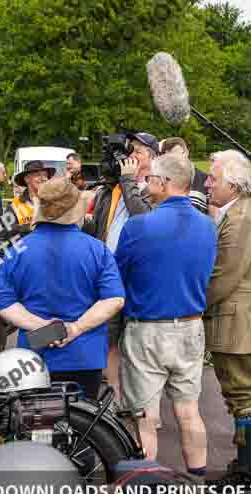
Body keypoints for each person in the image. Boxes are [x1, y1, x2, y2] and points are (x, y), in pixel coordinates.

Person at [114, 153, 217, 479]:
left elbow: (118, 275)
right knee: (189, 412)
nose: (146, 184)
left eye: (151, 179)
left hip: (147, 329)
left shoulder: (138, 226)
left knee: (145, 417)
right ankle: (198, 484)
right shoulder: (208, 226)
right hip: (190, 326)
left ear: (165, 183)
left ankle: (146, 493)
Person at [0, 176, 125, 400]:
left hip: (34, 355)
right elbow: (115, 299)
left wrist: (45, 327)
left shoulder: (18, 250)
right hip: (85, 356)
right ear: (76, 210)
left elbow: (2, 302)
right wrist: (75, 328)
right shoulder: (97, 250)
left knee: (33, 421)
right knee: (83, 426)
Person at [204, 150, 251, 487]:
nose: (206, 183)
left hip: (239, 321)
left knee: (243, 395)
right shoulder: (247, 210)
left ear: (233, 185)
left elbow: (223, 276)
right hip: (249, 318)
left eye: (212, 178)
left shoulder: (241, 218)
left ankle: (248, 471)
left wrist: (193, 307)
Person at [84, 132, 158, 401]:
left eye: (138, 151)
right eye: (130, 150)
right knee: (109, 339)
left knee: (138, 343)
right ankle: (113, 400)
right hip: (109, 272)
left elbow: (143, 220)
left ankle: (143, 403)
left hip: (139, 276)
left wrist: (128, 181)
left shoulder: (156, 187)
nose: (132, 156)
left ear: (153, 156)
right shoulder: (112, 188)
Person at [4, 160, 54, 238]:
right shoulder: (15, 205)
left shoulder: (54, 201)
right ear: (27, 179)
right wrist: (28, 228)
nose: (43, 178)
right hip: (27, 248)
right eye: (38, 175)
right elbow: (5, 230)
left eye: (45, 175)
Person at [160, 137, 208, 214]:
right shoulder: (162, 181)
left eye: (176, 155)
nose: (173, 161)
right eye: (169, 158)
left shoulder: (205, 179)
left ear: (186, 153)